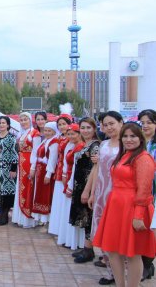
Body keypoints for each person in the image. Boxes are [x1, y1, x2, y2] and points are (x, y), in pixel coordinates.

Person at [93, 123, 156, 287]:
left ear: (140, 138)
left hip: (133, 208)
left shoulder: (143, 158)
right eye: (125, 136)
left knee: (133, 253)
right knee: (113, 250)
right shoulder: (124, 155)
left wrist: (138, 216)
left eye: (133, 136)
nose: (129, 140)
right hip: (116, 207)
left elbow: (144, 190)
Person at [87, 111, 123, 285]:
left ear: (121, 123)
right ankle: (111, 273)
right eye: (105, 125)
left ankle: (125, 275)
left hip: (119, 196)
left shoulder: (128, 144)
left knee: (118, 235)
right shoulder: (104, 145)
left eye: (112, 124)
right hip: (102, 195)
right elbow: (98, 170)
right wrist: (93, 193)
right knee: (104, 235)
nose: (108, 127)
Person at [68, 118, 100, 263]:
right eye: (83, 128)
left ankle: (89, 250)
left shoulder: (95, 146)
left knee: (89, 217)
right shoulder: (86, 144)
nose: (85, 130)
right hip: (80, 184)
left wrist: (88, 190)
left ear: (94, 129)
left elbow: (95, 169)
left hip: (88, 185)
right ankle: (87, 248)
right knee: (84, 216)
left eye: (88, 128)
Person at [57, 123, 85, 250]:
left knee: (72, 209)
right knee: (67, 209)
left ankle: (75, 241)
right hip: (68, 178)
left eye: (74, 133)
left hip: (74, 180)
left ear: (79, 134)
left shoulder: (80, 147)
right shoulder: (71, 145)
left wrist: (69, 185)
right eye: (69, 134)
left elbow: (76, 167)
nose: (71, 136)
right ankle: (69, 239)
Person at [12, 112, 40, 228]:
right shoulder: (21, 134)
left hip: (29, 164)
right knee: (21, 189)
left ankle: (28, 218)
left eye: (25, 120)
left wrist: (33, 167)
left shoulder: (35, 133)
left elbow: (36, 151)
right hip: (21, 164)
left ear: (30, 120)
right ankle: (20, 217)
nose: (23, 122)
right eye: (21, 120)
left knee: (28, 188)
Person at [138, 109, 156, 281]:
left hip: (153, 192)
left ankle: (148, 264)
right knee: (142, 229)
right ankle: (145, 264)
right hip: (140, 192)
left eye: (149, 122)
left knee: (151, 230)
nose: (145, 126)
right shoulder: (139, 143)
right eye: (142, 123)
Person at [0, 116, 18, 226]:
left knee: (6, 192)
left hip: (7, 169)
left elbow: (15, 153)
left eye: (4, 123)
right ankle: (1, 214)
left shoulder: (11, 137)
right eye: (0, 123)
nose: (1, 125)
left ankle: (4, 216)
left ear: (8, 125)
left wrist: (13, 168)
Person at [48, 114, 72, 236]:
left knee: (66, 200)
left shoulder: (72, 138)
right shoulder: (59, 138)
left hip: (68, 172)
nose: (62, 127)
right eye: (60, 125)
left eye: (64, 124)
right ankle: (58, 228)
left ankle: (65, 230)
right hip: (59, 170)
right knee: (58, 200)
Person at [31, 121, 59, 224]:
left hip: (46, 171)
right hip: (40, 170)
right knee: (39, 192)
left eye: (49, 131)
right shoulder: (46, 141)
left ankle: (45, 218)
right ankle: (40, 217)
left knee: (45, 194)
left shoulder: (54, 142)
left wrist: (48, 174)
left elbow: (52, 159)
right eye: (46, 130)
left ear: (53, 131)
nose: (47, 132)